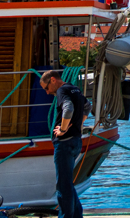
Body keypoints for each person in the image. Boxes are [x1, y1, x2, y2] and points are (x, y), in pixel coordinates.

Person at [40, 71, 91, 218]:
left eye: (46, 88)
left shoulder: (62, 90)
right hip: (76, 141)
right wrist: (77, 124)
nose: (47, 92)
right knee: (67, 183)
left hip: (64, 143)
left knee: (63, 185)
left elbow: (68, 108)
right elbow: (88, 106)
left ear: (53, 80)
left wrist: (62, 129)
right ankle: (76, 215)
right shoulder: (74, 89)